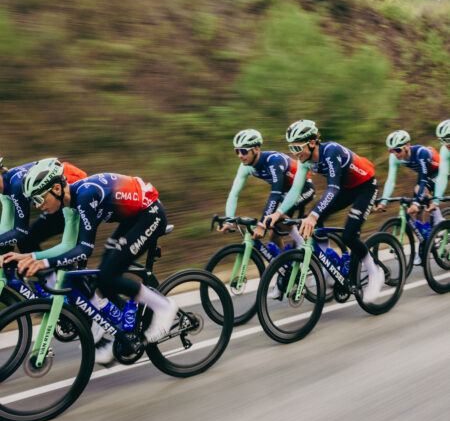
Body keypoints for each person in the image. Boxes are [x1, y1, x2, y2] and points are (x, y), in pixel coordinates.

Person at [2, 158, 178, 364]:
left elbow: (84, 249)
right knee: (103, 276)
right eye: (34, 201)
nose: (38, 206)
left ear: (57, 189)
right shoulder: (69, 205)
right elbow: (67, 246)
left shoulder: (86, 196)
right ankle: (123, 330)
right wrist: (32, 256)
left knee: (109, 275)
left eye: (40, 199)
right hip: (132, 218)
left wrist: (45, 263)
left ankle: (164, 306)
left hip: (151, 214)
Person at [264, 120, 382, 303]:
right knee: (315, 216)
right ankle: (329, 265)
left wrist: (313, 216)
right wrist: (278, 213)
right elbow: (295, 191)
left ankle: (375, 273)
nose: (295, 153)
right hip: (346, 188)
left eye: (298, 148)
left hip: (365, 187)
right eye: (291, 148)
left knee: (349, 235)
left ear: (312, 143)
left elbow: (333, 188)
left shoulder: (331, 151)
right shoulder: (305, 161)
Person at [217, 129, 315, 249]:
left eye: (244, 151)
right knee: (273, 237)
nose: (240, 155)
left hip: (304, 189)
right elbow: (233, 194)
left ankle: (302, 245)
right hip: (285, 193)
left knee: (277, 215)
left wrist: (261, 225)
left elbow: (275, 194)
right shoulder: (245, 167)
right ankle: (285, 260)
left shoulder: (273, 161)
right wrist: (229, 221)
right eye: (237, 151)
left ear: (256, 149)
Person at [0, 155, 87, 255]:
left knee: (72, 249)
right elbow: (5, 229)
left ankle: (48, 264)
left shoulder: (15, 185)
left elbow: (20, 231)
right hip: (56, 200)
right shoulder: (5, 191)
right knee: (25, 241)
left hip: (71, 197)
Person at [374, 130, 440, 220]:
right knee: (416, 212)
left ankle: (439, 222)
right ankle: (423, 229)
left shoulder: (421, 152)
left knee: (419, 192)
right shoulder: (394, 157)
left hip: (438, 171)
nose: (395, 153)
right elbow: (390, 180)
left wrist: (416, 203)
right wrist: (383, 202)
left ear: (407, 145)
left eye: (397, 150)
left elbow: (423, 180)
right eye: (391, 150)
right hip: (424, 173)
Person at [431, 119, 450, 217]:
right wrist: (436, 201)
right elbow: (442, 176)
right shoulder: (445, 150)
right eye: (442, 140)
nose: (445, 144)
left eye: (448, 140)